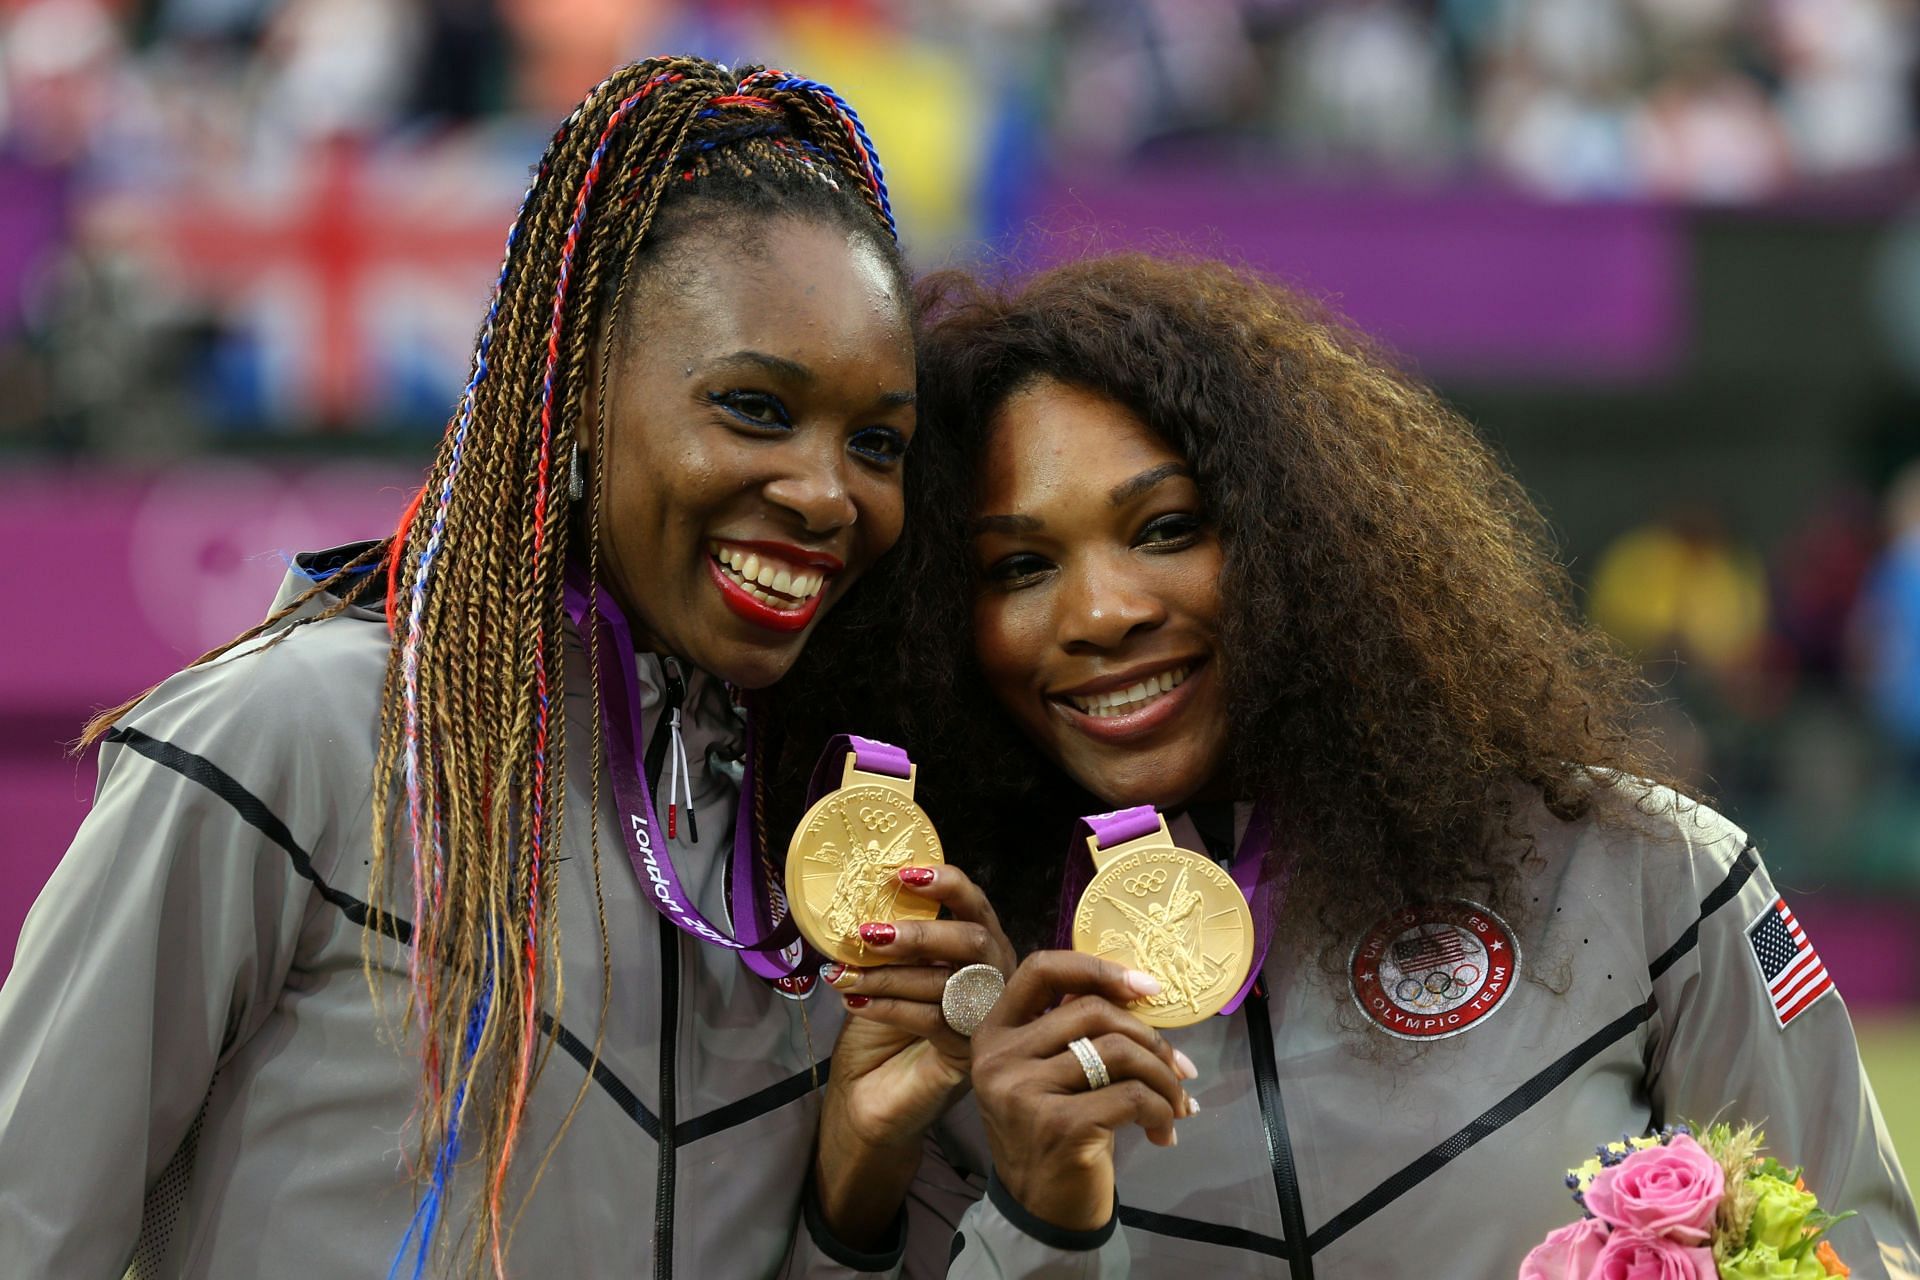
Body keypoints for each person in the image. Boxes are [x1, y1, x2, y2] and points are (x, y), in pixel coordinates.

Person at [0, 54, 1015, 1279]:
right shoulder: (301, 736)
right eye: (753, 407)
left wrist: (857, 1189)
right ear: (578, 388)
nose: (824, 491)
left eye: (875, 442)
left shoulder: (823, 859)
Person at [812, 255, 1920, 1277]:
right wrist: (1036, 1214)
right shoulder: (939, 996)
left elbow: (1853, 1251)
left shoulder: (1648, 872)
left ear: (1299, 537)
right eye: (1018, 565)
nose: (1101, 612)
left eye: (1166, 528)